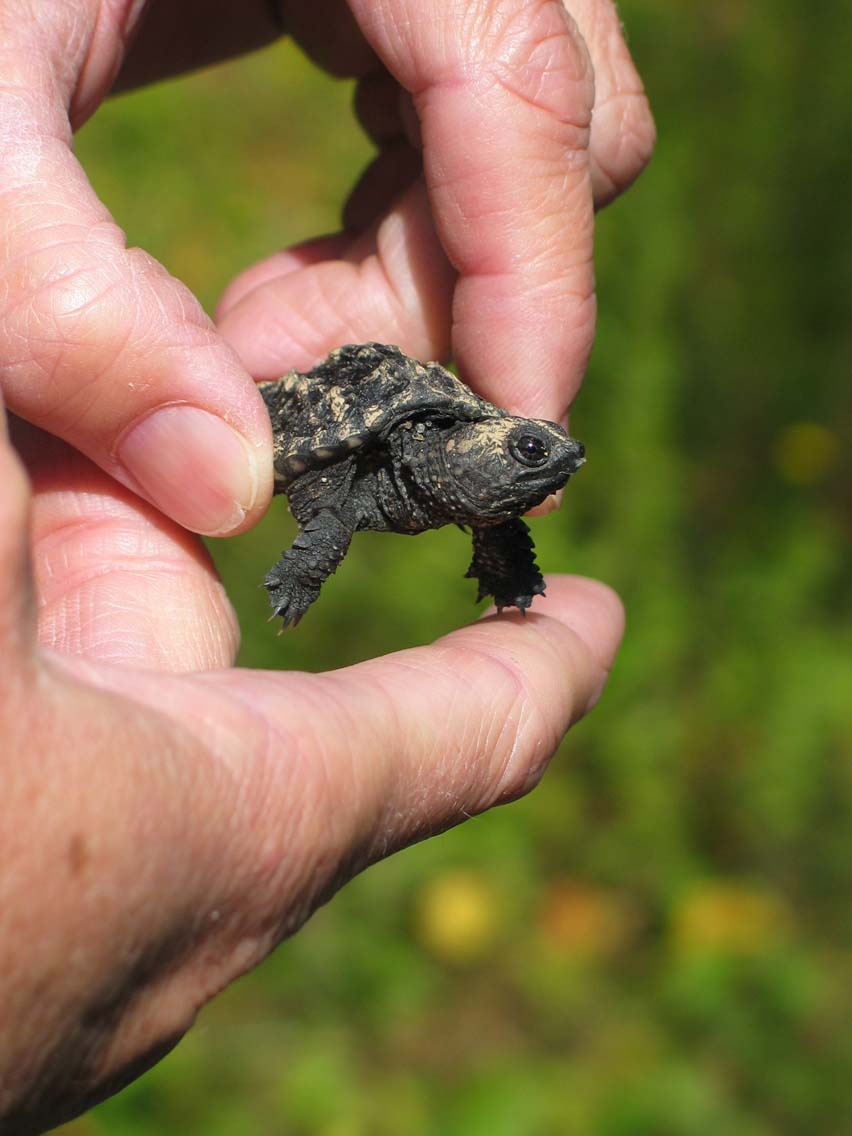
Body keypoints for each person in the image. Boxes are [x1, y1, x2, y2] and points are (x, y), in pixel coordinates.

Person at [0, 1, 654, 1130]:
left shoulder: (471, 470)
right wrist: (306, 563)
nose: (551, 459)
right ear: (481, 443)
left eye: (545, 455)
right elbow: (339, 496)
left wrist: (509, 561)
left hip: (405, 427)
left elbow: (490, 499)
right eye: (535, 450)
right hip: (320, 424)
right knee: (304, 507)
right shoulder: (405, 447)